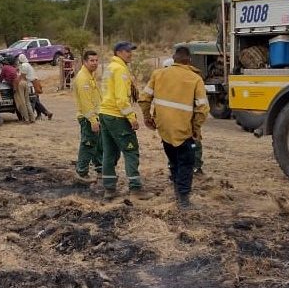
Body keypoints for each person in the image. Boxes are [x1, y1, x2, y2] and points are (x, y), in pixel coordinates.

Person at [139, 46, 209, 209]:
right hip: (184, 131)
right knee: (186, 163)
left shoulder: (158, 74)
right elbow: (203, 109)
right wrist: (196, 129)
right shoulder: (195, 79)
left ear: (174, 58)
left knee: (174, 161)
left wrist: (147, 118)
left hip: (164, 130)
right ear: (188, 60)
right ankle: (183, 200)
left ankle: (178, 193)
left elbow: (144, 99)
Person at [98, 41, 152, 201]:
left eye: (131, 51)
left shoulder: (110, 68)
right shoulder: (120, 70)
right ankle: (135, 188)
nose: (130, 54)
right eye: (128, 51)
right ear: (119, 52)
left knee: (109, 151)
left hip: (105, 113)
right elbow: (121, 99)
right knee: (130, 150)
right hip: (117, 116)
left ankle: (109, 188)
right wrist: (131, 117)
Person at [160, 57, 205, 175]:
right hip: (182, 122)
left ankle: (192, 167)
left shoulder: (183, 81)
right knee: (188, 145)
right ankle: (186, 168)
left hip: (182, 120)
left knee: (190, 145)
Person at [72, 50, 103, 183]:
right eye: (91, 60)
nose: (95, 63)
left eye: (96, 60)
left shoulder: (90, 75)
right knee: (88, 144)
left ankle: (101, 170)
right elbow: (85, 103)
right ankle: (81, 173)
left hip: (95, 116)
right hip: (88, 118)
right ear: (85, 62)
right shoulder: (83, 78)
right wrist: (92, 120)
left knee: (97, 144)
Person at [17, 54, 53, 120]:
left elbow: (23, 76)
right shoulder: (28, 65)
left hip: (30, 84)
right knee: (36, 101)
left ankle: (31, 116)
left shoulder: (24, 65)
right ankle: (46, 113)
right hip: (34, 83)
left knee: (31, 101)